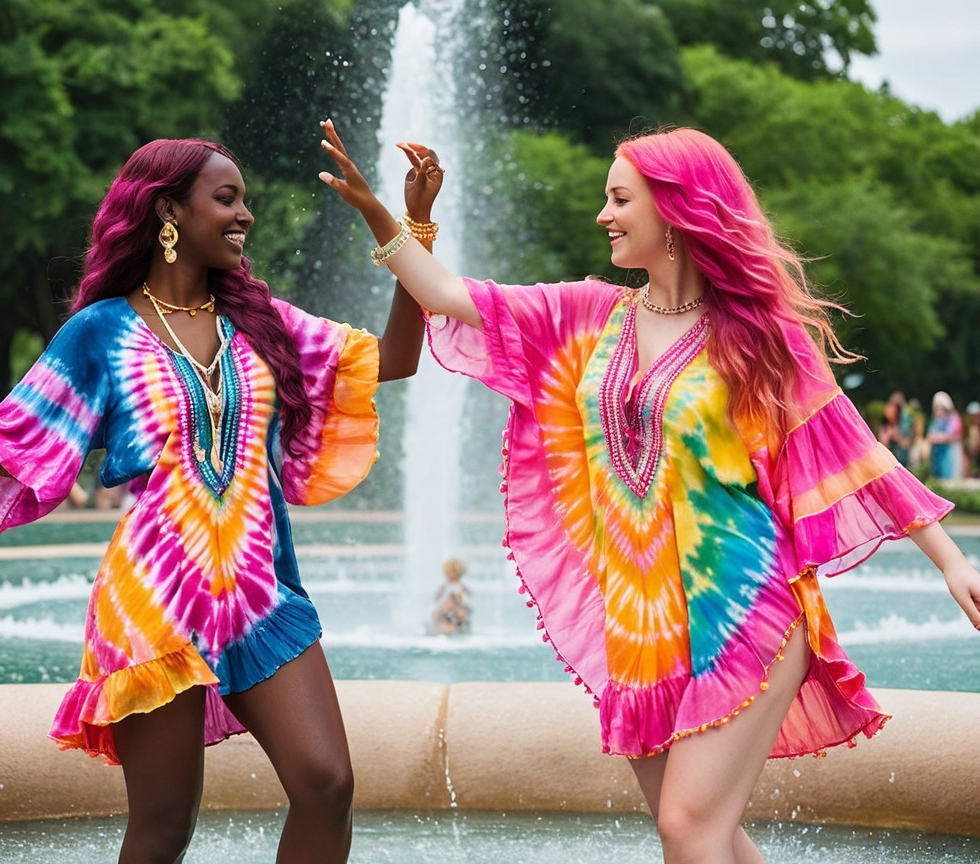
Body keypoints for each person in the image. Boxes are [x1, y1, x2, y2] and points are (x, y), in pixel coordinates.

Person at [318, 119, 980, 864]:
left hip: (742, 608)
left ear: (674, 208)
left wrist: (951, 561)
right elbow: (445, 293)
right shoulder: (590, 314)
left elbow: (852, 448)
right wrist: (392, 214)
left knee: (687, 829)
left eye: (619, 198)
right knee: (713, 833)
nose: (603, 214)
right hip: (637, 623)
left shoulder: (756, 335)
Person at [0, 133, 443, 863]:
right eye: (227, 198)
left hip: (260, 592)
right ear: (168, 212)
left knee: (328, 785)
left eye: (245, 199)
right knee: (164, 825)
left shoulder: (259, 322)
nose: (245, 214)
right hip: (154, 599)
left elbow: (396, 359)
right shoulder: (102, 332)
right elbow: (8, 442)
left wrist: (402, 223)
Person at [926, 390, 964, 481]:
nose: (939, 410)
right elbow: (930, 435)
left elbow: (951, 435)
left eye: (940, 407)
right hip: (937, 454)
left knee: (949, 479)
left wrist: (938, 437)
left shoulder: (954, 417)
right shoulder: (936, 419)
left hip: (950, 453)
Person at [428, 558, 472, 635]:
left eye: (449, 571)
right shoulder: (444, 587)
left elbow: (465, 604)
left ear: (457, 573)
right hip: (444, 614)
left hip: (454, 616)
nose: (446, 574)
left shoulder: (460, 588)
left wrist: (455, 608)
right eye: (446, 571)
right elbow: (437, 600)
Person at [876, 390, 913, 467]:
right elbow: (882, 445)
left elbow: (906, 443)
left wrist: (895, 437)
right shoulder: (885, 426)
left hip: (900, 461)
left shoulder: (904, 422)